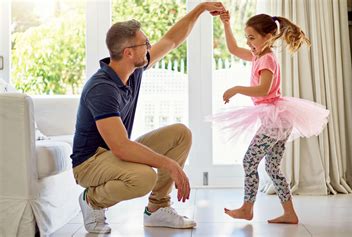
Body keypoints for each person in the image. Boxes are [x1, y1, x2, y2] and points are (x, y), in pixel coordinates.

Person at [70, 2, 225, 234]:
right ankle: (92, 200)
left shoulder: (133, 71)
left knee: (180, 134)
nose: (149, 47)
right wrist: (168, 164)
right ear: (128, 52)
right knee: (144, 177)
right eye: (145, 43)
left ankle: (157, 209)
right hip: (89, 162)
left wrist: (200, 9)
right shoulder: (101, 88)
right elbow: (121, 147)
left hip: (112, 153)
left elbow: (172, 40)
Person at [210, 12, 330, 224]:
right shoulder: (258, 56)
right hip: (277, 119)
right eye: (246, 38)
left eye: (252, 38)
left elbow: (263, 89)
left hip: (276, 119)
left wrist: (236, 89)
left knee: (249, 161)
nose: (248, 43)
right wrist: (226, 24)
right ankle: (289, 213)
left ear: (268, 37)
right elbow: (232, 49)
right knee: (272, 167)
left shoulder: (266, 59)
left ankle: (247, 208)